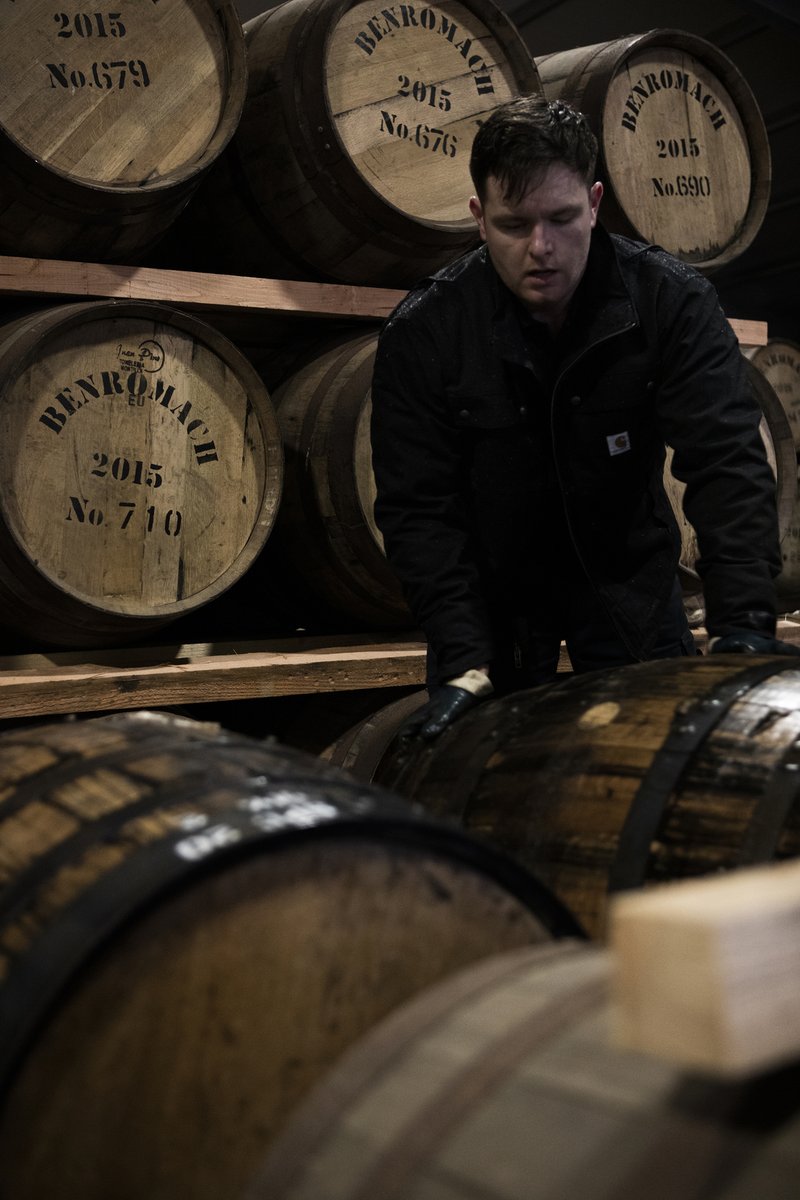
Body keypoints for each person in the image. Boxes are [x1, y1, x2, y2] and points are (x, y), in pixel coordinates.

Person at [370, 95, 798, 740]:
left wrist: (742, 626)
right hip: (497, 614)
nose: (541, 248)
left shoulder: (669, 299)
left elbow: (726, 460)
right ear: (478, 218)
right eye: (514, 225)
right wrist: (462, 655)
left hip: (631, 587)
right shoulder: (427, 330)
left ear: (595, 203)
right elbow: (418, 508)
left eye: (563, 218)